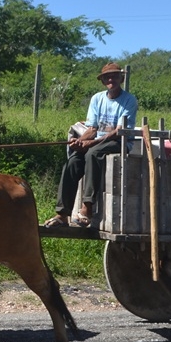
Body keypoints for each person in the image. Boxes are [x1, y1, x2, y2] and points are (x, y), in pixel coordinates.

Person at [44, 62, 137, 228]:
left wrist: (90, 143)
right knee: (73, 161)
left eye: (115, 76)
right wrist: (80, 141)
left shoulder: (129, 100)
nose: (111, 79)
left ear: (121, 78)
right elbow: (92, 128)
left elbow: (118, 131)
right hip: (97, 141)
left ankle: (87, 206)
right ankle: (62, 213)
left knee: (93, 153)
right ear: (102, 81)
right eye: (107, 77)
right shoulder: (97, 98)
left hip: (119, 142)